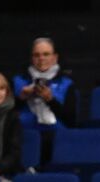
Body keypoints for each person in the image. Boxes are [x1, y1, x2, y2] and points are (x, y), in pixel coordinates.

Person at [13, 38, 76, 167]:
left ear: (55, 57)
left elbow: (71, 121)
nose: (41, 58)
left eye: (46, 54)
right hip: (25, 139)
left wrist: (50, 100)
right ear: (31, 58)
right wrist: (22, 97)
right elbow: (5, 115)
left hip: (57, 139)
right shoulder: (18, 81)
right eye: (37, 55)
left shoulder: (67, 83)